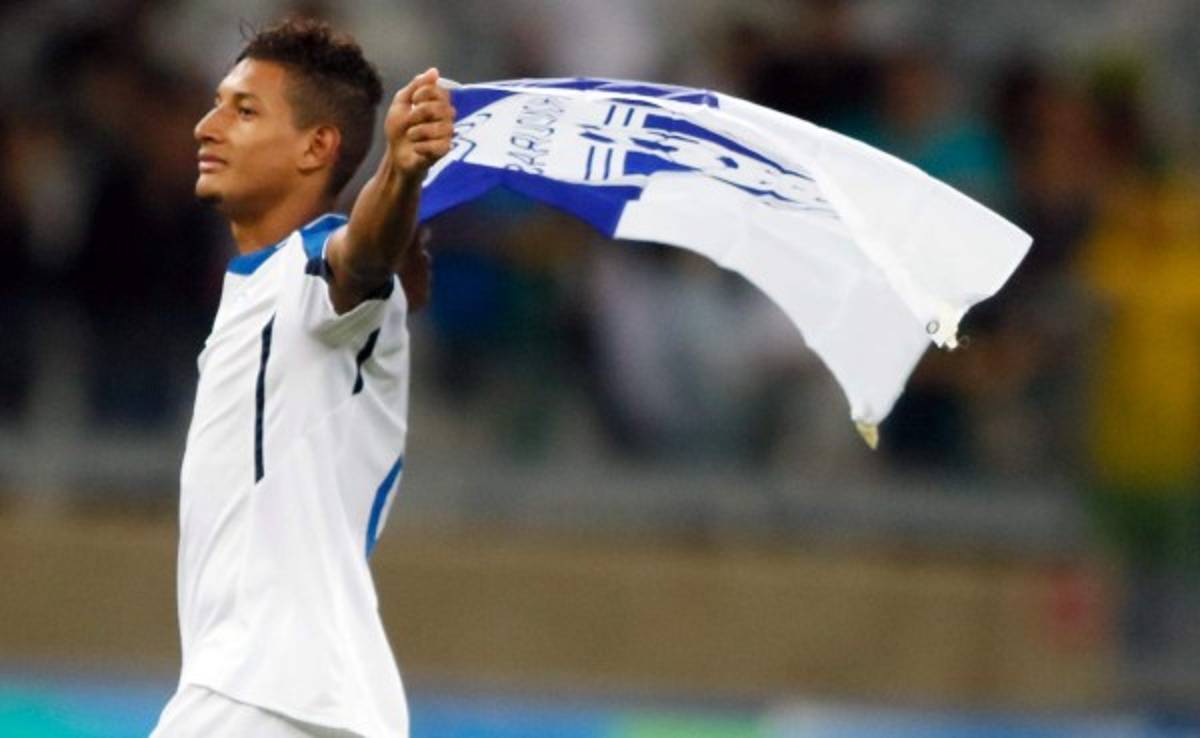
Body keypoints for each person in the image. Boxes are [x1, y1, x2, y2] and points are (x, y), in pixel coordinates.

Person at [150, 17, 454, 738]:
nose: (206, 127)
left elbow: (361, 259)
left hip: (269, 696)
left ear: (317, 147)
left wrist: (400, 172)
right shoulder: (259, 286)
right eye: (217, 104)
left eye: (244, 110)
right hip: (284, 696)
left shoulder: (315, 270)